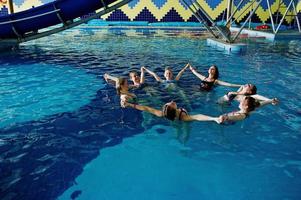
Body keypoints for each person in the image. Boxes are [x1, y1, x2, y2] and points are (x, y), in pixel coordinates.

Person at [120, 99, 221, 123]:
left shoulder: (161, 113)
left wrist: (129, 104)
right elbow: (197, 116)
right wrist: (214, 118)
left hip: (172, 120)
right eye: (172, 104)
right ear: (174, 109)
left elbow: (146, 108)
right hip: (181, 121)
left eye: (168, 103)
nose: (172, 101)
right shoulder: (183, 116)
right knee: (185, 132)